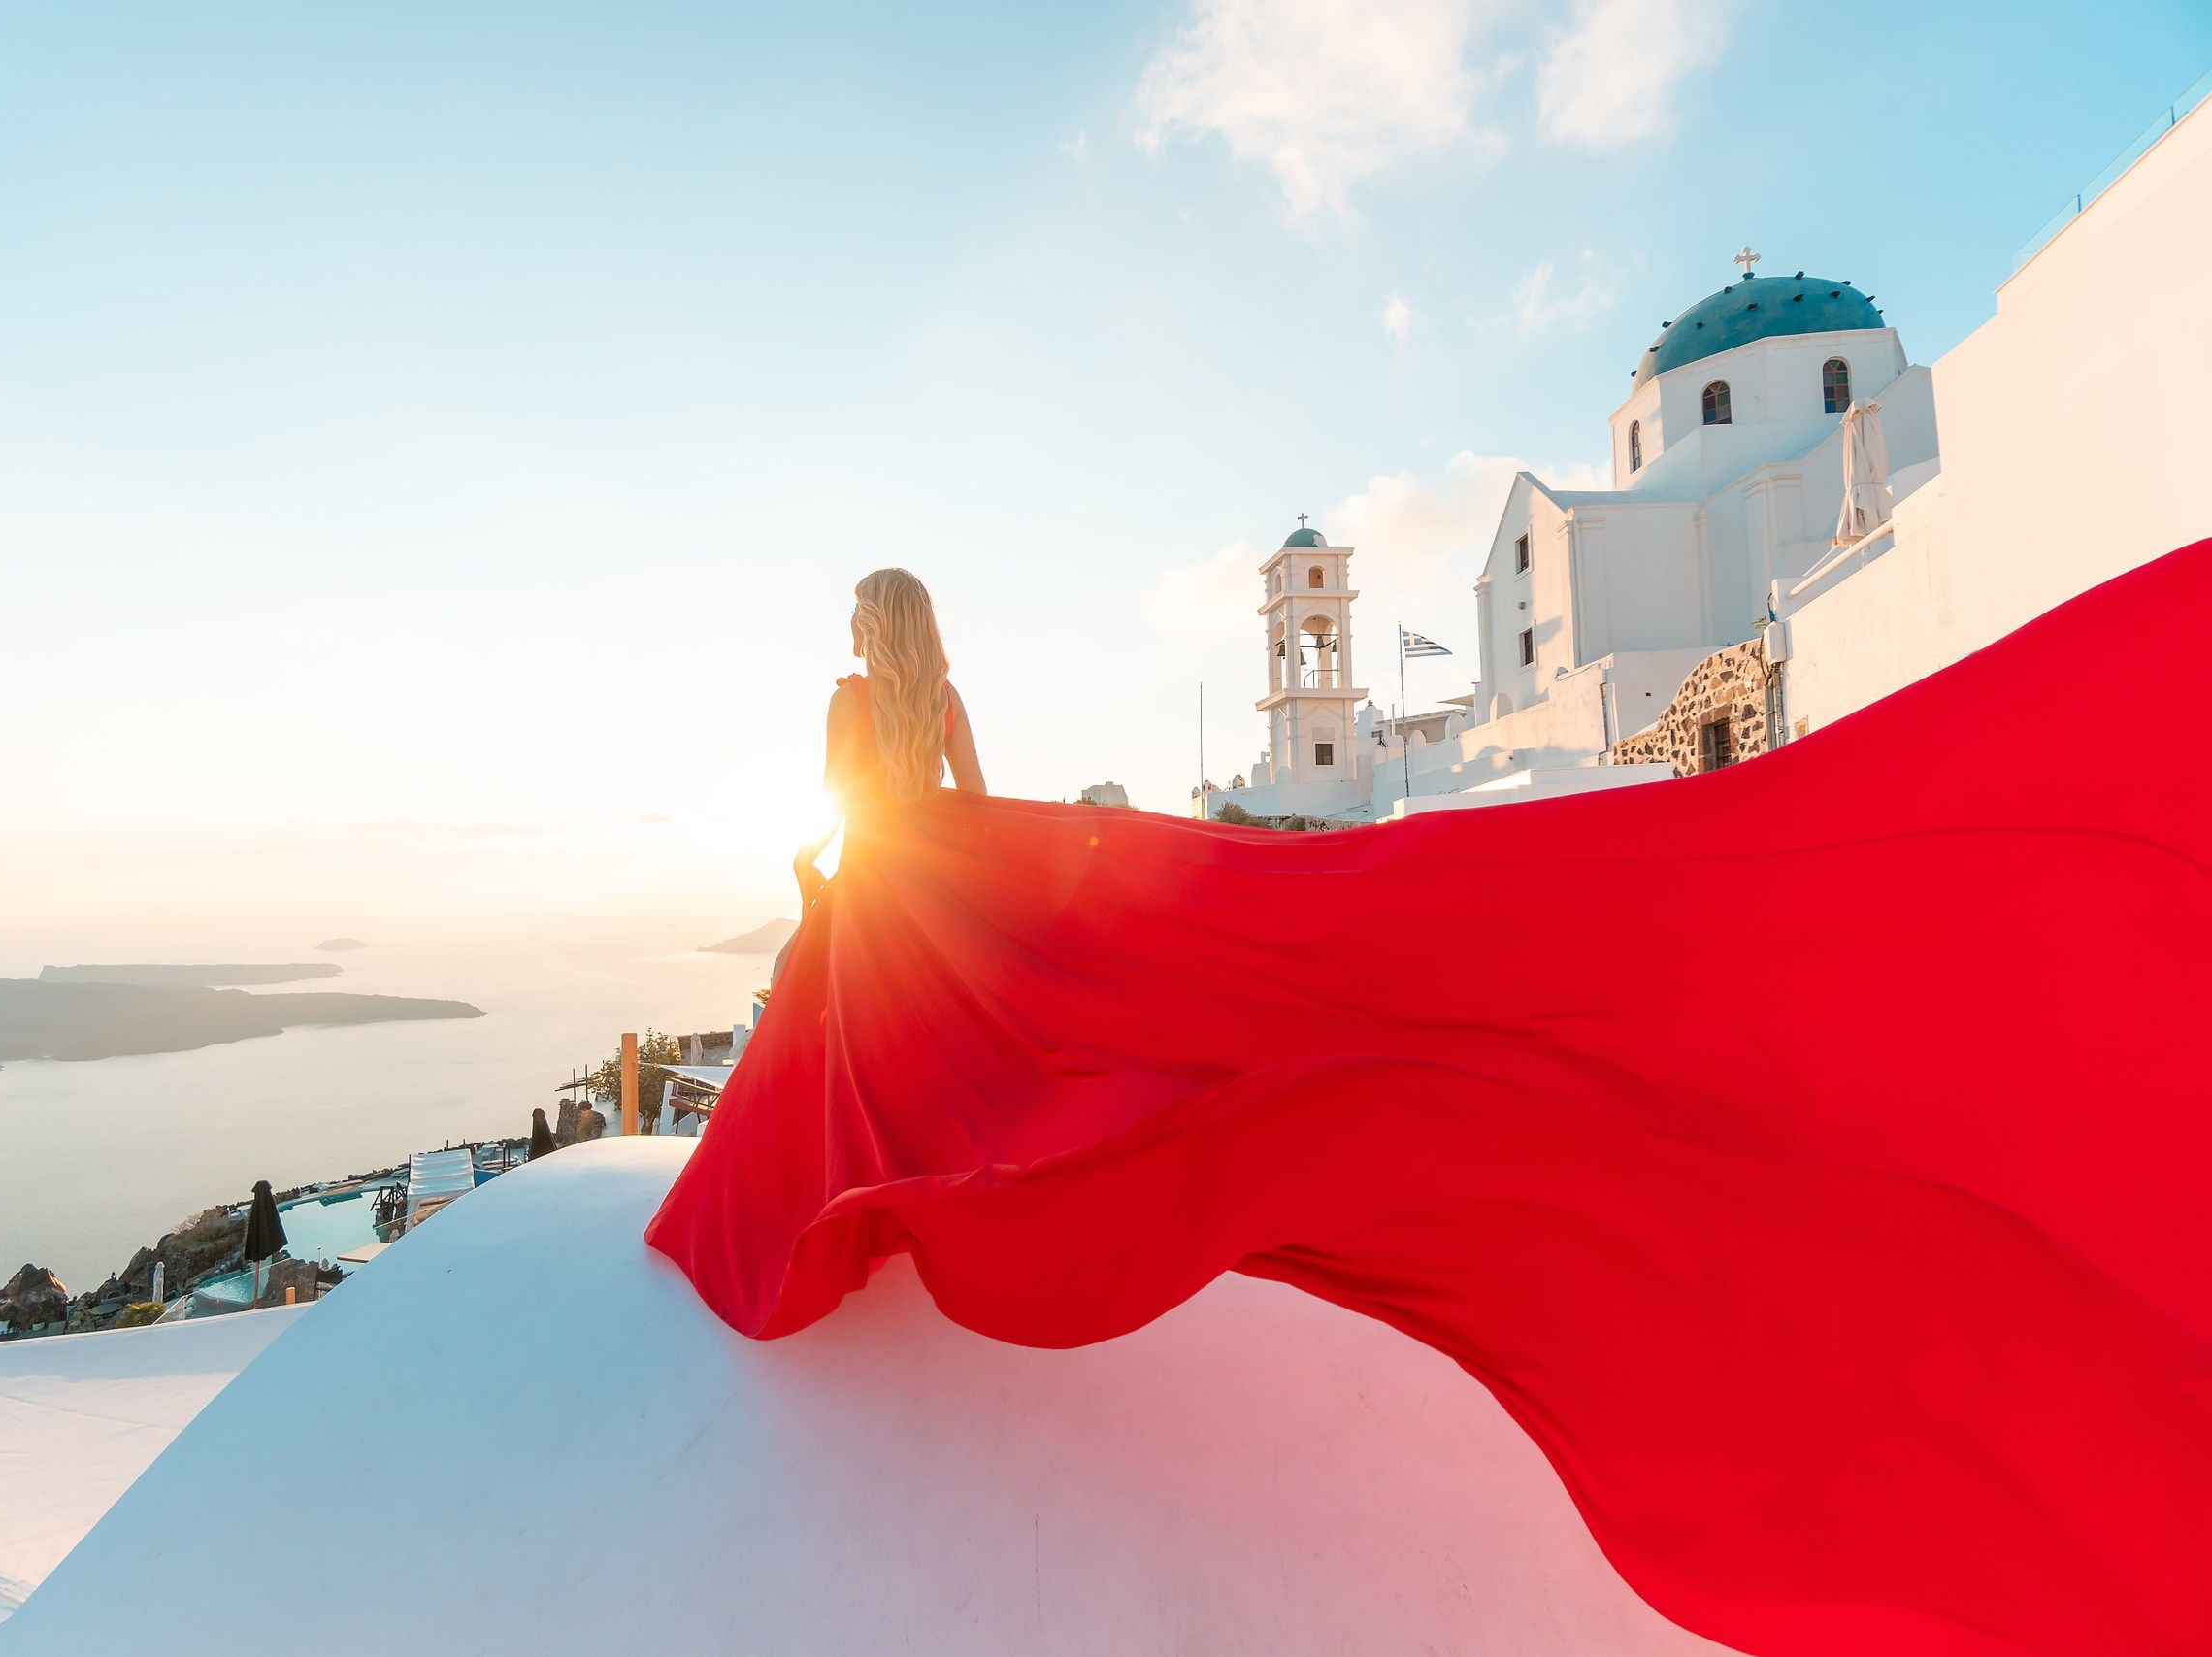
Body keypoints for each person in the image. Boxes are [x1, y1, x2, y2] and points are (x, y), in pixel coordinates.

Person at [651, 539, 2212, 1657]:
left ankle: (822, 1192)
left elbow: (857, 819)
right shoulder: (941, 696)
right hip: (954, 898)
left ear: (868, 620)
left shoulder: (858, 694)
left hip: (882, 908)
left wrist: (820, 898)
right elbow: (972, 813)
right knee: (967, 1062)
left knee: (846, 1053)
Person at [772, 568, 984, 986]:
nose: (850, 619)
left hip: (867, 885)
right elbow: (978, 802)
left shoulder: (849, 700)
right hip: (934, 882)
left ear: (873, 622)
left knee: (788, 975)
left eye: (856, 608)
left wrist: (803, 860)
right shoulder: (945, 697)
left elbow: (833, 802)